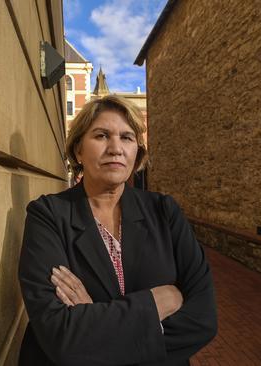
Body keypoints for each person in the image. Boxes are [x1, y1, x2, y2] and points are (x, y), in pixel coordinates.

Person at [18, 95, 217, 366]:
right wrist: (154, 304)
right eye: (101, 136)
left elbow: (203, 319)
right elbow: (61, 336)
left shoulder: (164, 211)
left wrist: (94, 318)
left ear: (137, 153)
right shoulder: (48, 216)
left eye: (126, 138)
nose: (115, 148)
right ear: (78, 150)